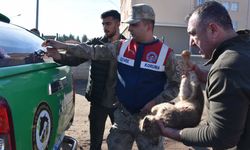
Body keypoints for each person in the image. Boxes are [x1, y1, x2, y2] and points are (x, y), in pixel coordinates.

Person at [42, 4, 181, 150]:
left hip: (149, 119)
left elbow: (175, 85)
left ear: (148, 25)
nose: (130, 28)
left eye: (134, 24)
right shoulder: (122, 46)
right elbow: (92, 51)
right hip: (123, 116)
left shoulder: (166, 54)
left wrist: (155, 102)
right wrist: (63, 46)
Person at [157, 1, 250, 149]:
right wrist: (205, 76)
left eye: (193, 33)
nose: (191, 43)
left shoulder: (226, 68)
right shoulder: (244, 48)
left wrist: (175, 133)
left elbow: (222, 137)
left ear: (212, 29)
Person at [44, 10, 125, 150]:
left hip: (119, 103)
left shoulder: (127, 46)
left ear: (118, 23)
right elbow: (76, 58)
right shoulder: (95, 43)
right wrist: (59, 57)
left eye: (108, 23)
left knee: (120, 143)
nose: (105, 27)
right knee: (95, 142)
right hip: (98, 100)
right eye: (103, 24)